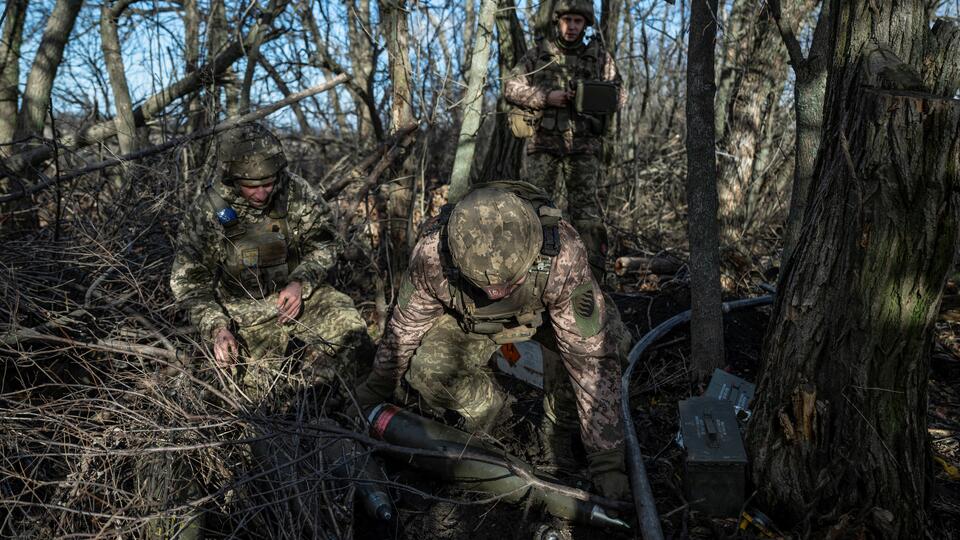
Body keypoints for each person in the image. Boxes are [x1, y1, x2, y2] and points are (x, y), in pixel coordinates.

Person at [354, 182, 630, 502]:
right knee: (429, 370)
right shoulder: (432, 257)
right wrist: (373, 389)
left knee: (615, 346)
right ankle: (501, 422)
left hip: (542, 315)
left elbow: (590, 359)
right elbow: (403, 331)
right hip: (469, 323)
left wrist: (607, 463)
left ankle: (561, 427)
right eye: (485, 283)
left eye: (509, 282)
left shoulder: (562, 256)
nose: (497, 292)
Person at [170, 122, 371, 407]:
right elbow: (189, 284)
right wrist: (217, 328)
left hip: (300, 298)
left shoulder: (294, 191)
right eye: (252, 186)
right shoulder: (208, 212)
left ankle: (348, 410)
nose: (262, 194)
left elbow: (325, 242)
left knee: (354, 338)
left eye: (268, 184)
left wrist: (301, 282)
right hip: (242, 315)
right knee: (257, 401)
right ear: (232, 178)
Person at [503, 0, 625, 279]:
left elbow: (619, 95)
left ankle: (591, 278)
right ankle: (533, 275)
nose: (572, 26)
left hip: (583, 148)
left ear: (586, 24)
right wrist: (546, 97)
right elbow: (511, 87)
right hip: (543, 145)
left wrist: (588, 94)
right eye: (567, 20)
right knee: (535, 211)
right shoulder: (538, 54)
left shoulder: (600, 58)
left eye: (578, 21)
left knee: (586, 215)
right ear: (558, 21)